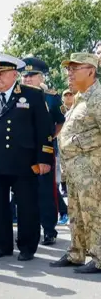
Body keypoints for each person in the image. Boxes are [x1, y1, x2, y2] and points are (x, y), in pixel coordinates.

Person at [0, 53, 52, 261]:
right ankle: (2, 245)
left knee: (26, 207)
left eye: (1, 73)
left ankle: (27, 247)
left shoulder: (32, 95)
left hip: (24, 162)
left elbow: (44, 129)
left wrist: (44, 158)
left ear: (15, 74)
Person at [51, 53, 101, 273]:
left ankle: (99, 257)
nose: (69, 73)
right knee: (76, 213)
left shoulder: (97, 96)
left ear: (91, 71)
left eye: (74, 69)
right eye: (68, 69)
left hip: (92, 169)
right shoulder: (80, 97)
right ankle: (77, 253)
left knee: (94, 213)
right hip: (74, 169)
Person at [16, 57, 65, 245]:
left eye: (32, 75)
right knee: (23, 191)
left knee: (46, 191)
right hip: (22, 150)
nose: (27, 79)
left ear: (41, 77)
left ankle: (49, 229)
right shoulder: (17, 95)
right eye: (24, 76)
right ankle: (27, 230)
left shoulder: (51, 98)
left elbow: (60, 121)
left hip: (43, 150)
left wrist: (51, 137)